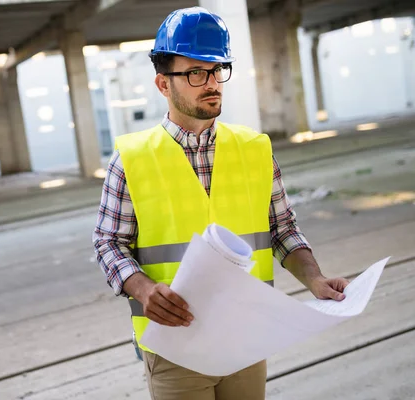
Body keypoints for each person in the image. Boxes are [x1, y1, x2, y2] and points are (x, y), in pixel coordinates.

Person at [92, 6, 349, 400]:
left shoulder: (255, 149)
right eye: (196, 72)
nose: (211, 82)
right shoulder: (131, 159)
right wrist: (143, 289)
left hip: (246, 338)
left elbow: (283, 230)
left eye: (217, 69)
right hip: (175, 345)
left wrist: (314, 278)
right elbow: (108, 243)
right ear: (163, 84)